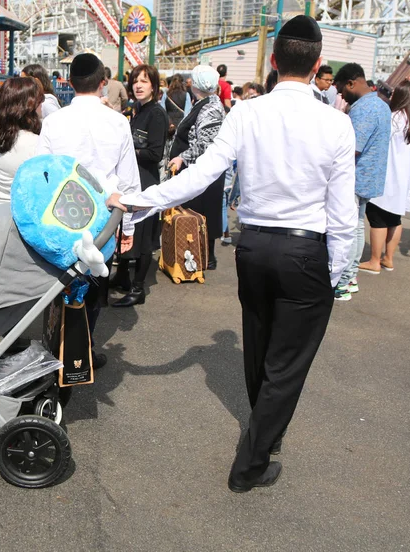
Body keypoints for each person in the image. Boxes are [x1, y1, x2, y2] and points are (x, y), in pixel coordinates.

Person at [107, 15, 357, 492]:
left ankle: (264, 429)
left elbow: (201, 174)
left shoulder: (246, 112)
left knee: (260, 348)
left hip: (255, 245)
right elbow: (343, 213)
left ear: (275, 61)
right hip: (306, 250)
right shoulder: (336, 124)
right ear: (318, 64)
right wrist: (337, 272)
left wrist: (141, 199)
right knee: (288, 362)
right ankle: (253, 461)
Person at [37, 53, 141, 367]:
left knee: (60, 279)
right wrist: (130, 227)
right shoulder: (118, 122)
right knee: (93, 285)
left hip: (61, 213)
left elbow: (43, 171)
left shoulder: (54, 120)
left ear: (69, 83)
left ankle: (54, 346)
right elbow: (129, 180)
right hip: (104, 219)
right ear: (103, 83)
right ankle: (82, 350)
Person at [332, 63, 391, 301]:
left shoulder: (364, 108)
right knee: (356, 226)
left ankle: (344, 281)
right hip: (369, 176)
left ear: (351, 83)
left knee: (350, 229)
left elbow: (352, 148)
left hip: (356, 177)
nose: (341, 96)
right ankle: (350, 277)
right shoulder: (380, 103)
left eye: (341, 89)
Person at [111, 64, 168, 307]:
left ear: (154, 85)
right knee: (126, 228)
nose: (138, 85)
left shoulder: (156, 114)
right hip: (131, 180)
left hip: (146, 181)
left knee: (143, 234)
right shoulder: (136, 110)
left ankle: (138, 288)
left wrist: (129, 152)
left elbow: (155, 153)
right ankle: (123, 276)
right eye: (135, 81)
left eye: (144, 81)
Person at [358, 82, 410, 273]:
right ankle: (388, 258)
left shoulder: (392, 118)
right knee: (395, 219)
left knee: (377, 218)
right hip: (403, 178)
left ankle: (374, 261)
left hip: (387, 174)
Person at [167, 65, 226, 270]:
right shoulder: (206, 103)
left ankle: (204, 257)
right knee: (200, 215)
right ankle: (199, 255)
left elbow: (205, 143)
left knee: (202, 216)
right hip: (201, 172)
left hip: (203, 173)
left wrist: (183, 157)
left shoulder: (209, 108)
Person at [0, 77, 44, 207]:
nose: (42, 106)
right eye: (40, 102)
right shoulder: (35, 143)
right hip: (15, 217)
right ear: (29, 107)